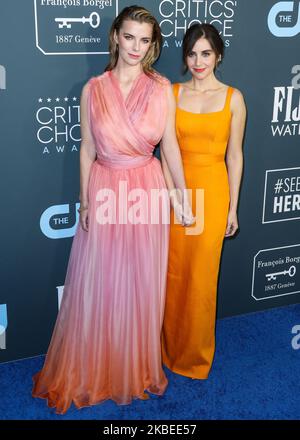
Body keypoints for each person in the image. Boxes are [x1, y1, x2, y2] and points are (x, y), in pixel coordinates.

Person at [32, 5, 193, 414]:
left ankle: (132, 367)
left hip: (147, 188)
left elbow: (169, 145)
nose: (136, 47)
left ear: (152, 45)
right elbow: (86, 150)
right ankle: (99, 366)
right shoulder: (92, 89)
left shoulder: (161, 89)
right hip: (105, 188)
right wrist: (85, 200)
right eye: (129, 37)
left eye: (145, 40)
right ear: (115, 37)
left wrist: (182, 194)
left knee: (141, 283)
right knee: (101, 281)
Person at [161, 23, 246, 379]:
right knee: (172, 274)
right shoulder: (172, 94)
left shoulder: (233, 98)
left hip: (212, 191)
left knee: (201, 278)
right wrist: (173, 197)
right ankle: (166, 349)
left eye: (206, 53)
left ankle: (194, 356)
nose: (199, 61)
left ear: (219, 55)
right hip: (176, 190)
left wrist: (233, 208)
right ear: (185, 57)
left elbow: (235, 157)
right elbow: (165, 152)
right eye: (192, 53)